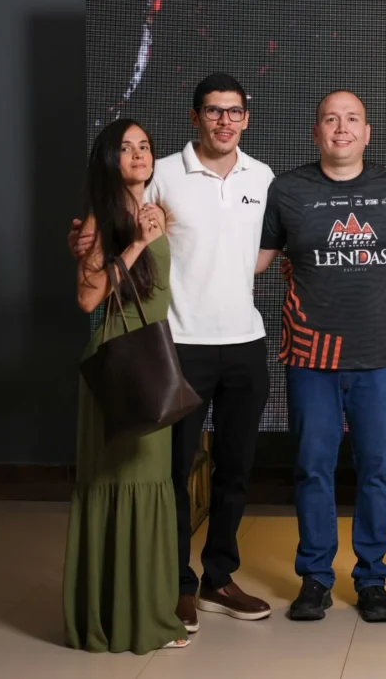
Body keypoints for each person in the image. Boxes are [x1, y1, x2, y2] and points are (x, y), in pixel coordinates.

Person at [70, 73, 275, 633]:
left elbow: (262, 249)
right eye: (213, 111)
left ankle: (218, 579)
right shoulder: (159, 172)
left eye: (234, 112)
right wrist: (85, 239)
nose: (224, 121)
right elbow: (115, 221)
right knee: (176, 471)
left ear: (246, 118)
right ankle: (178, 584)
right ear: (195, 117)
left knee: (236, 469)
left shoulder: (262, 176)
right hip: (179, 344)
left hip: (245, 343)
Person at [256, 90, 386, 623]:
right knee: (312, 470)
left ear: (367, 133)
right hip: (310, 357)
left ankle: (372, 579)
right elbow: (253, 261)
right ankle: (315, 578)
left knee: (379, 471)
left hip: (378, 355)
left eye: (352, 119)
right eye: (330, 119)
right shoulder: (286, 190)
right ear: (317, 132)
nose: (341, 127)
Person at [63, 118, 189, 652]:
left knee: (149, 484)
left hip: (151, 359)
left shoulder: (152, 210)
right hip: (122, 362)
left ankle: (145, 614)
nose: (139, 154)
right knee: (120, 484)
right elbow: (88, 298)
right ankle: (119, 619)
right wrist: (137, 243)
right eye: (126, 147)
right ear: (108, 159)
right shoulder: (102, 217)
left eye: (145, 146)